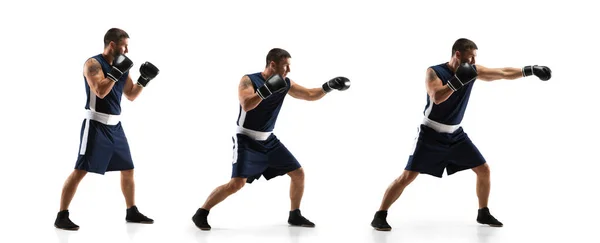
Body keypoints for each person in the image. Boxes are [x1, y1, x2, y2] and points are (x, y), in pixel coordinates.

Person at [370, 38, 552, 231]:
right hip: (430, 134)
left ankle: (483, 212)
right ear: (458, 54)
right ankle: (380, 215)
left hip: (456, 135)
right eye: (471, 57)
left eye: (475, 58)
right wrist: (457, 82)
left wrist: (530, 70)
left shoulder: (473, 71)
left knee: (484, 169)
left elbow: (502, 73)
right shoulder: (434, 71)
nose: (473, 62)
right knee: (407, 176)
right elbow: (437, 97)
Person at [192, 48, 351, 230]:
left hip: (269, 140)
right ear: (272, 64)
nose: (288, 71)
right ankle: (201, 213)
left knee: (298, 173)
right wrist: (264, 91)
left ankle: (295, 215)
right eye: (286, 66)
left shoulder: (285, 83)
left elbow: (309, 94)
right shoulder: (249, 80)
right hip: (246, 138)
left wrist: (328, 86)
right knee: (236, 184)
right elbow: (246, 105)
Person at [54, 28, 161, 231]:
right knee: (80, 170)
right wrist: (116, 72)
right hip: (95, 124)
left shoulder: (122, 67)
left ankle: (131, 211)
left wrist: (143, 80)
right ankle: (61, 215)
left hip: (115, 126)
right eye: (124, 45)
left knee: (128, 169)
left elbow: (130, 94)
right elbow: (100, 92)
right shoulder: (93, 64)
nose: (127, 50)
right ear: (112, 44)